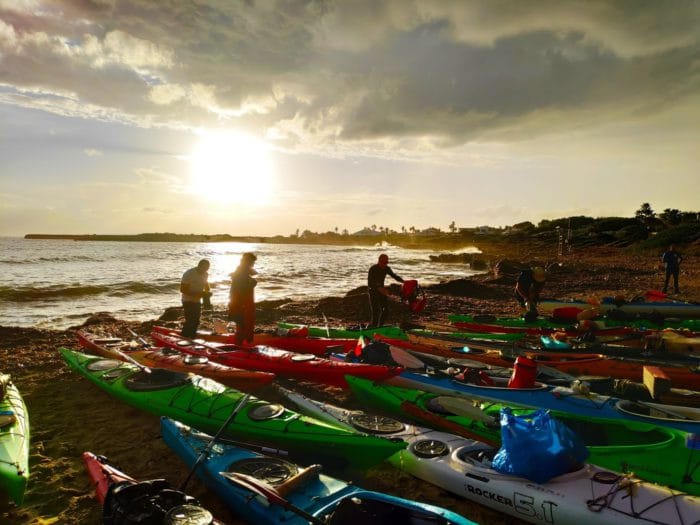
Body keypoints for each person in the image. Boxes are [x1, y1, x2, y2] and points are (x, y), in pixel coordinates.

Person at [367, 253, 404, 327]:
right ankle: (373, 326)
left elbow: (394, 276)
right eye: (384, 262)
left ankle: (380, 326)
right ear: (379, 261)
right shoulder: (373, 269)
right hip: (373, 290)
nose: (385, 264)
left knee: (385, 310)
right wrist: (380, 288)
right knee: (376, 311)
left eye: (387, 262)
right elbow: (370, 282)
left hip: (381, 290)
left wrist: (404, 281)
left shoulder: (387, 268)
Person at [228, 252, 257, 345]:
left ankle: (241, 346)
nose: (253, 264)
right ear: (247, 262)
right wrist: (252, 283)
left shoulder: (242, 271)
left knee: (243, 328)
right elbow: (242, 290)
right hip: (241, 305)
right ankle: (238, 348)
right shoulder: (241, 273)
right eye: (252, 262)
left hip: (242, 304)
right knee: (242, 329)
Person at [180, 259, 210, 338]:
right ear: (199, 266)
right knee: (190, 320)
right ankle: (183, 338)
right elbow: (182, 289)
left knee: (196, 321)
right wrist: (198, 294)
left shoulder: (205, 274)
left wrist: (207, 293)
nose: (205, 270)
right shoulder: (189, 273)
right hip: (187, 300)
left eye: (207, 268)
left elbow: (206, 285)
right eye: (204, 268)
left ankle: (191, 337)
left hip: (197, 300)